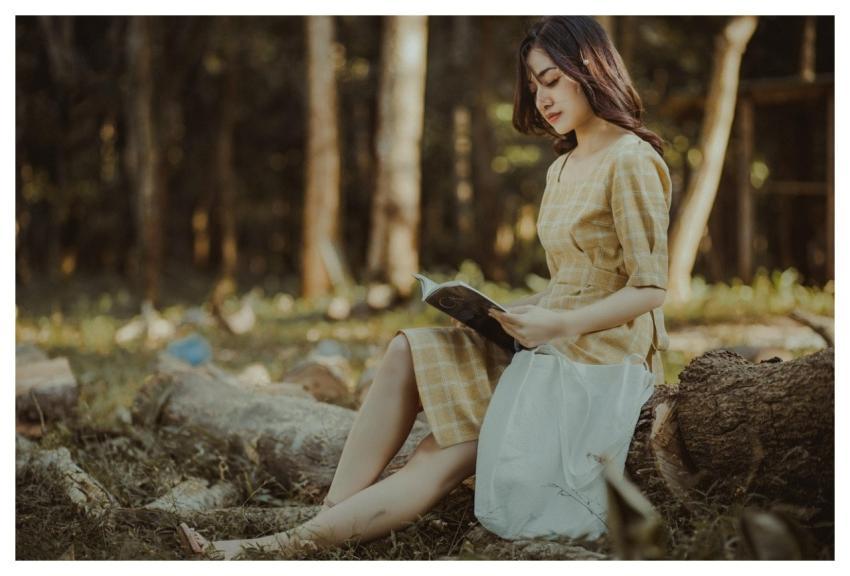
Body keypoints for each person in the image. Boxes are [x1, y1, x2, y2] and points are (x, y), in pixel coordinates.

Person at [177, 15, 670, 559]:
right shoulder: (563, 166)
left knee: (444, 450)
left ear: (589, 68)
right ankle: (332, 515)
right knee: (406, 349)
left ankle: (276, 548)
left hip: (601, 359)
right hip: (549, 336)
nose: (542, 97)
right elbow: (570, 283)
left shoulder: (632, 160)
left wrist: (558, 324)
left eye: (551, 79)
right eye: (534, 84)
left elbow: (650, 289)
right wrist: (502, 312)